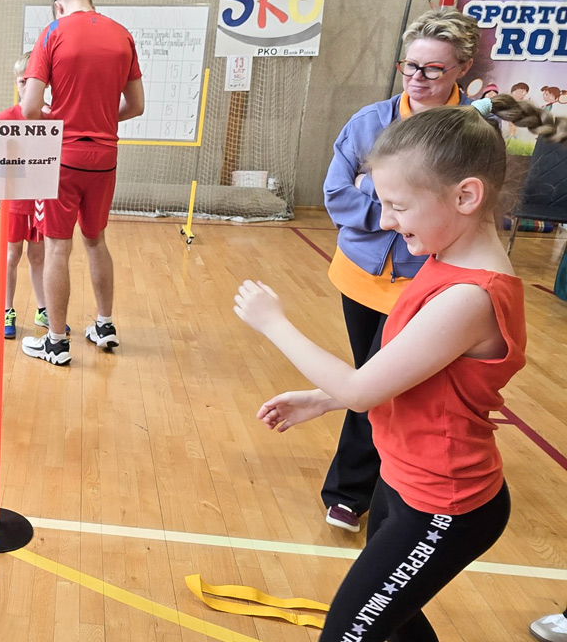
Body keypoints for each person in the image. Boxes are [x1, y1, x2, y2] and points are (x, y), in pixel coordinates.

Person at [236, 97, 567, 642]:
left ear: (465, 196)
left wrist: (274, 323)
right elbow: (411, 374)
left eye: (398, 205)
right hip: (401, 480)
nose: (386, 220)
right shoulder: (444, 260)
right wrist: (322, 398)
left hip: (443, 507)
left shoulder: (471, 295)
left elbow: (362, 390)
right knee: (395, 625)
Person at [320, 6, 478, 533]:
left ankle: (350, 492)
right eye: (410, 66)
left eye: (433, 69)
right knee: (370, 378)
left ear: (462, 69)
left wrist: (375, 190)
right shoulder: (368, 122)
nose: (417, 78)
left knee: (377, 384)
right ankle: (380, 484)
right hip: (359, 275)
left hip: (425, 283)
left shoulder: (473, 133)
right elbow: (336, 194)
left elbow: (463, 210)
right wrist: (398, 210)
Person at [17, 0, 144, 366]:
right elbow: (136, 106)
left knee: (58, 247)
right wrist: (100, 121)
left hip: (64, 157)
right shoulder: (122, 34)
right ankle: (105, 325)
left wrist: (61, 122)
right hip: (105, 157)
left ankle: (56, 343)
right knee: (96, 240)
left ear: (59, 7)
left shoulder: (53, 32)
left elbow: (29, 109)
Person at [0, 51, 66, 339]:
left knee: (38, 257)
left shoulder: (52, 119)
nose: (26, 86)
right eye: (22, 81)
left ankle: (42, 309)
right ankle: (7, 310)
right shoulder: (4, 118)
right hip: (14, 203)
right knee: (11, 255)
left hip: (40, 202)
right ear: (16, 83)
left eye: (32, 81)